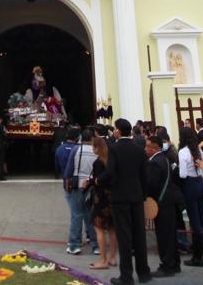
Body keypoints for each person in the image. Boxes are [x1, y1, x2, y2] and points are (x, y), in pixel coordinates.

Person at [101, 118, 151, 285]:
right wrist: (143, 195)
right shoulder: (139, 149)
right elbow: (144, 175)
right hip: (136, 197)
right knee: (139, 235)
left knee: (124, 237)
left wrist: (98, 181)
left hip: (120, 197)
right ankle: (144, 272)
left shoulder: (114, 149)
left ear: (118, 131)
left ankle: (126, 276)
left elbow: (109, 172)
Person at [146, 135, 184, 277]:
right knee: (171, 235)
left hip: (161, 203)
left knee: (164, 235)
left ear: (155, 147)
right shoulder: (165, 159)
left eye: (148, 146)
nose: (146, 149)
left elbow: (152, 184)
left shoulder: (155, 162)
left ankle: (167, 265)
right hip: (169, 201)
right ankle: (174, 264)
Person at [63, 127, 99, 257]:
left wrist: (66, 183)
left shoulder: (76, 149)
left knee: (76, 215)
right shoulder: (97, 151)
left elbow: (69, 169)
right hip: (91, 185)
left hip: (77, 185)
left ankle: (74, 245)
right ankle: (96, 245)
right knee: (91, 216)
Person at [177, 127, 203, 268]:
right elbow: (202, 169)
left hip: (189, 184)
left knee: (194, 221)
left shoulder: (183, 152)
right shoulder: (198, 150)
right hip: (200, 182)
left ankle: (197, 256)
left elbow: (182, 174)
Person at [89, 134, 117, 270]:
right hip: (113, 196)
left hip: (100, 198)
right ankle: (112, 257)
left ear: (96, 148)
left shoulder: (98, 163)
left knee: (99, 228)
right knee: (112, 229)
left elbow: (97, 180)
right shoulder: (111, 160)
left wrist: (90, 182)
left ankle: (103, 259)